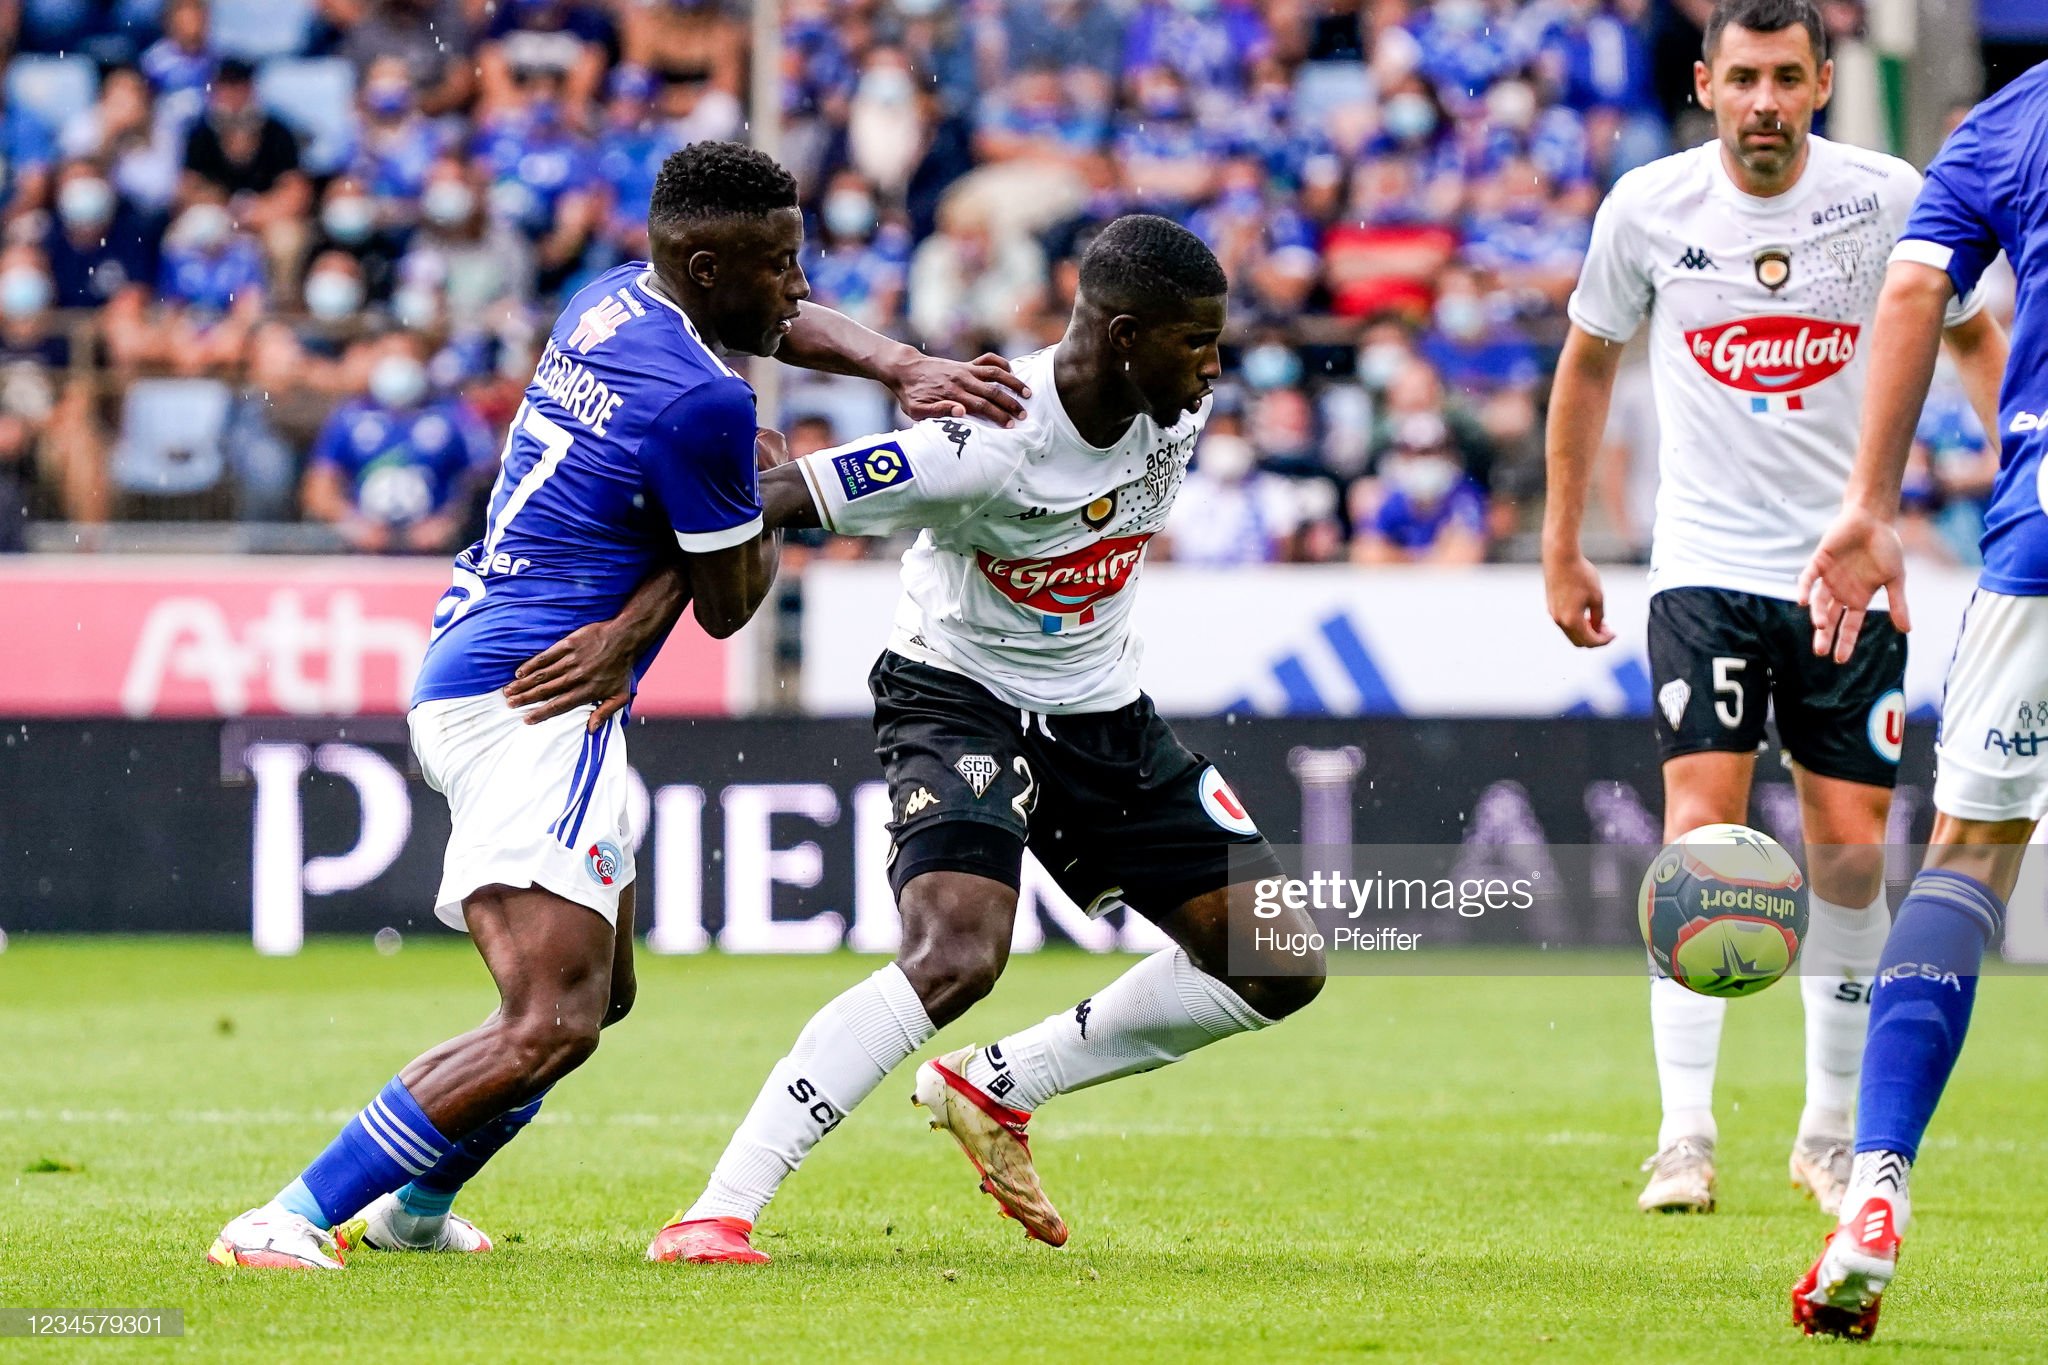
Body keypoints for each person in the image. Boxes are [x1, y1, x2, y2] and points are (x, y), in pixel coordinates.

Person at [204, 141, 1028, 1270]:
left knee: (602, 995)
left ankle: (415, 1207)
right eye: (779, 263)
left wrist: (895, 364)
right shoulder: (703, 401)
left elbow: (775, 331)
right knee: (550, 1018)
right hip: (538, 698)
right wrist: (762, 483)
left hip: (486, 651)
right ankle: (288, 1215)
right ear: (706, 268)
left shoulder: (610, 299)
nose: (798, 285)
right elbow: (731, 605)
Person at [530, 214, 1328, 1266]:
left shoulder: (1175, 404)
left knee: (1278, 960)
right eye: (1198, 344)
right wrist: (626, 629)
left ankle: (998, 1084)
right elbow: (765, 500)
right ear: (1126, 336)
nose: (1215, 368)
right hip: (956, 696)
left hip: (1102, 711)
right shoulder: (982, 441)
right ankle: (719, 1208)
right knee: (955, 955)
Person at [1541, 0, 2007, 1218]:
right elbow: (1585, 361)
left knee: (1848, 853)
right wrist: (1561, 544)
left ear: (1818, 85)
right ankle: (1681, 1137)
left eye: (1785, 79)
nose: (1762, 102)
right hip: (1702, 568)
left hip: (1846, 575)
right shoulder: (1646, 206)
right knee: (1700, 836)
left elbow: (1969, 333)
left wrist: (2026, 462)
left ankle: (1825, 1135)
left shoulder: (1886, 195)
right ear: (1704, 83)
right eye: (1742, 77)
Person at [1789, 58, 2043, 1342]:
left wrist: (1867, 508)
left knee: (1968, 857)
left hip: (2040, 533)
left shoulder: (2012, 120)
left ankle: (1874, 1182)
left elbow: (1912, 288)